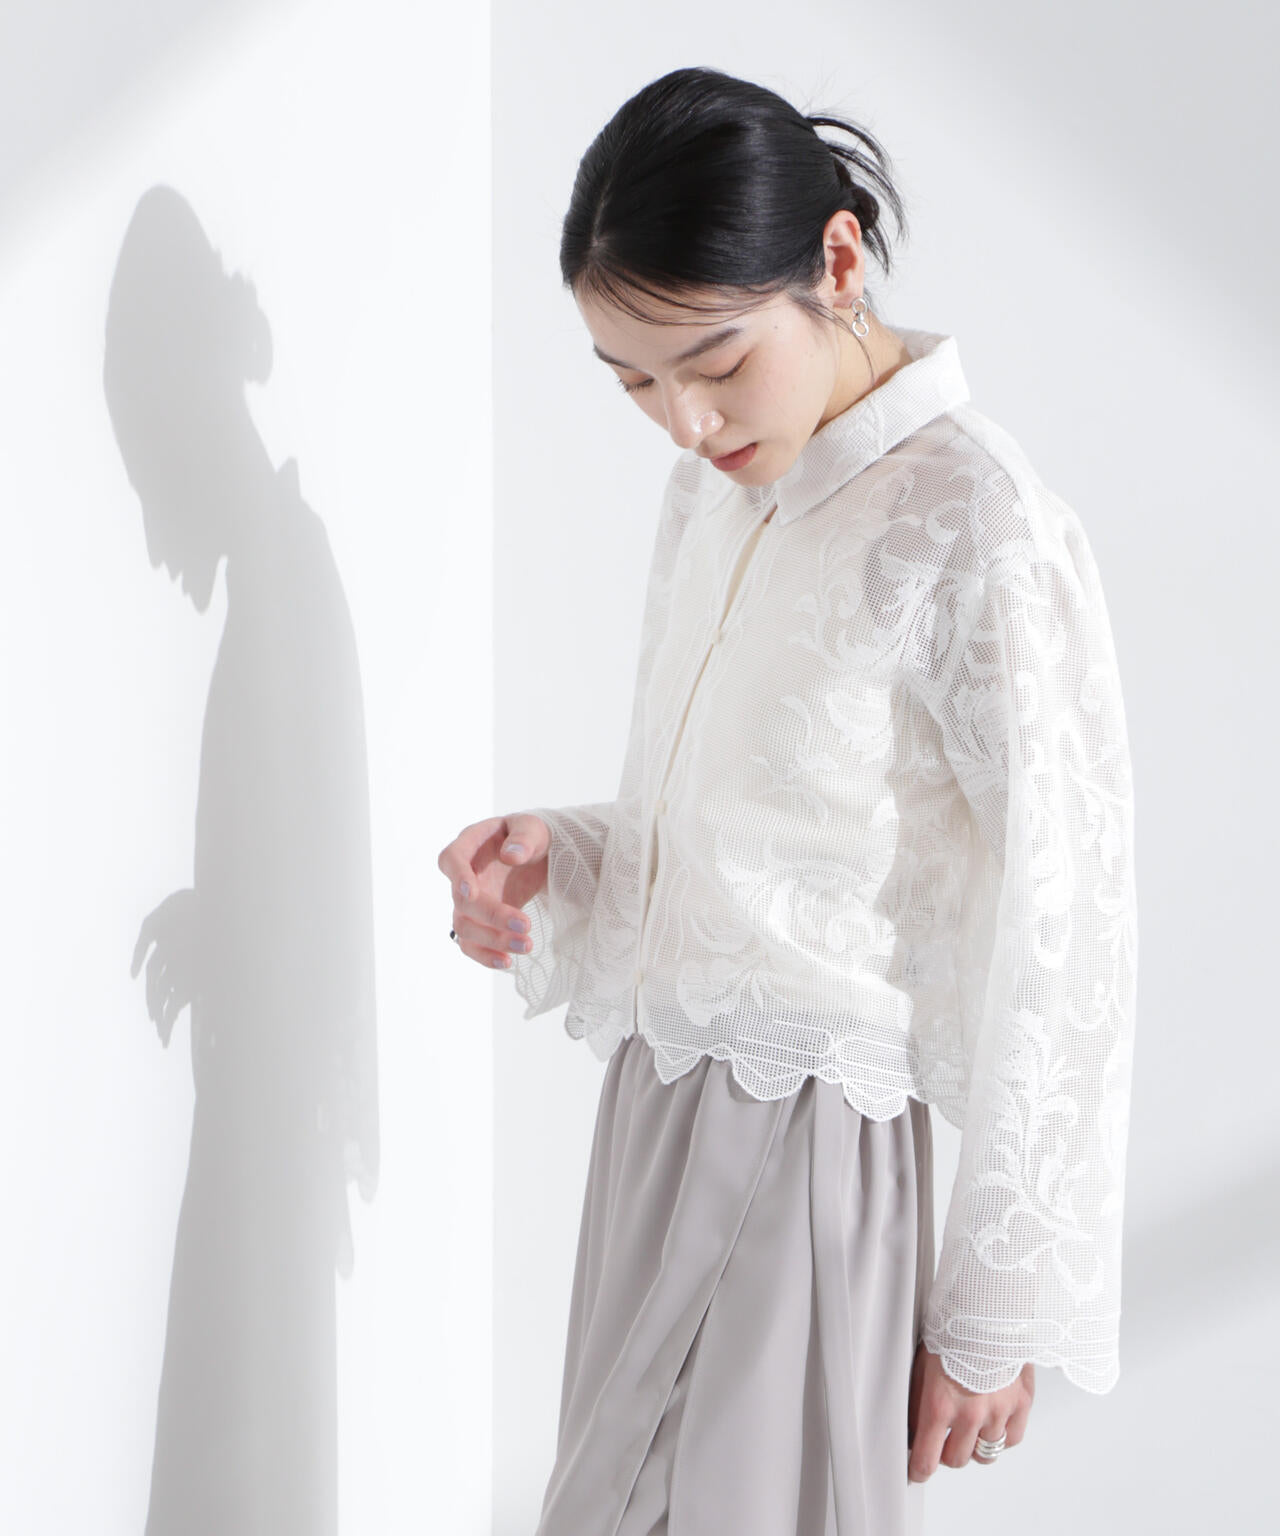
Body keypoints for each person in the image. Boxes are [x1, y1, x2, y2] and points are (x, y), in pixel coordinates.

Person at [438, 66, 1137, 1536]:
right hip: (656, 1112)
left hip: (811, 1136)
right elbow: (736, 828)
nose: (685, 422)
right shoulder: (719, 493)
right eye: (634, 382)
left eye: (713, 360)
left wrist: (999, 1300)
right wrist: (568, 853)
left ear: (836, 259)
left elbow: (1067, 919)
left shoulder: (978, 521)